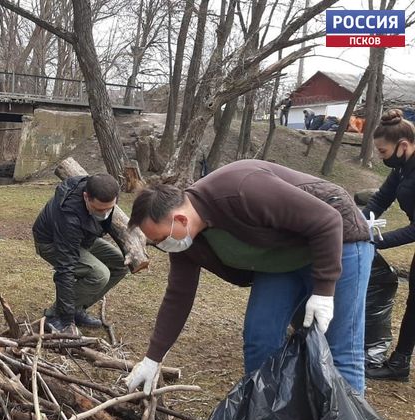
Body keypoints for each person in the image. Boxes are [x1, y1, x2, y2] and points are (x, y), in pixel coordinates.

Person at [124, 160, 373, 396]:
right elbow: (178, 297)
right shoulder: (186, 242)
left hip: (339, 240)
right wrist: (152, 359)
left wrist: (324, 290)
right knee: (260, 339)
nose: (160, 246)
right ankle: (265, 419)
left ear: (179, 219)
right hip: (283, 257)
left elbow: (328, 220)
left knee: (340, 350)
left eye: (159, 239)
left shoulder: (241, 189)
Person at [32, 174, 128, 333]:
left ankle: (77, 307)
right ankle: (56, 315)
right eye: (98, 209)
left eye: (109, 208)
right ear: (86, 197)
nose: (104, 213)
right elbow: (65, 268)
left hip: (83, 239)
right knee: (99, 274)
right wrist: (66, 318)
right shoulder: (68, 216)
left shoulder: (98, 189)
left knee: (121, 264)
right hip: (52, 243)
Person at [364, 109, 415, 382]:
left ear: (403, 146)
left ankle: (399, 364)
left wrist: (378, 241)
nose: (381, 156)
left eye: (383, 152)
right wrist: (355, 225)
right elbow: (379, 201)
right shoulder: (401, 168)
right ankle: (399, 364)